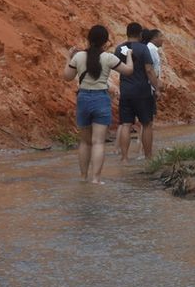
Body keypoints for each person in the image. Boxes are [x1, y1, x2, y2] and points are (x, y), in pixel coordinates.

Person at [64, 24, 134, 184]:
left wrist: (69, 57)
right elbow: (129, 71)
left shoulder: (79, 56)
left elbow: (67, 76)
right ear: (105, 42)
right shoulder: (109, 58)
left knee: (85, 141)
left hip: (83, 98)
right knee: (98, 142)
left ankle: (83, 177)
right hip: (101, 99)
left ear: (88, 39)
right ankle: (96, 179)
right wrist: (129, 55)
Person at [114, 22, 159, 163]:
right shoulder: (143, 49)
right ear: (140, 34)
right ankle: (148, 157)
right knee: (146, 124)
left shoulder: (119, 48)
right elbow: (149, 70)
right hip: (142, 92)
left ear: (127, 33)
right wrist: (156, 88)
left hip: (126, 91)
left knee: (126, 124)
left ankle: (124, 158)